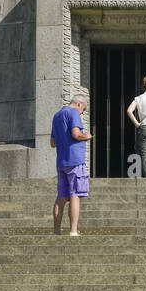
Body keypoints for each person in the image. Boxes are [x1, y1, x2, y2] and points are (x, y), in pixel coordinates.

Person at [50, 94, 93, 235]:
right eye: (83, 110)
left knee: (61, 197)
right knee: (75, 194)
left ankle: (56, 231)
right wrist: (86, 135)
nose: (82, 112)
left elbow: (52, 143)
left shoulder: (57, 115)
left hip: (61, 161)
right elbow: (76, 134)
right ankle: (73, 231)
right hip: (75, 160)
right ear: (79, 104)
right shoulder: (73, 112)